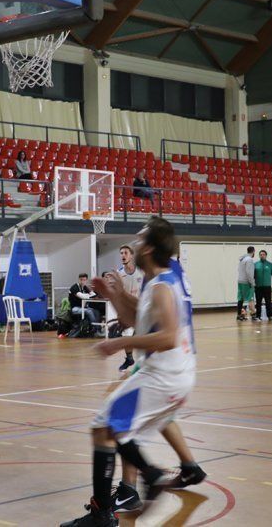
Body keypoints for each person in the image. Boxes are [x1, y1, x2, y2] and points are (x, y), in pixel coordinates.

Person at [61, 217, 196, 526]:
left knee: (104, 425)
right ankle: (143, 480)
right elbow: (135, 316)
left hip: (163, 375)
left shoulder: (163, 286)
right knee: (109, 428)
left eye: (139, 238)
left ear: (148, 248)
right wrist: (114, 295)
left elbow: (168, 337)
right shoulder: (155, 282)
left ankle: (111, 508)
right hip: (166, 375)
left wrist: (119, 342)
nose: (133, 243)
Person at [116, 245, 144, 372]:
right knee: (126, 337)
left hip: (142, 308)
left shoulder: (141, 271)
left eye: (125, 253)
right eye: (121, 253)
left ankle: (145, 362)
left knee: (144, 336)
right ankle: (129, 359)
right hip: (128, 310)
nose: (123, 255)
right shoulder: (119, 274)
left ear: (131, 255)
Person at [253, 249, 272, 322]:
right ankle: (258, 316)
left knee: (268, 302)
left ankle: (270, 316)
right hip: (258, 287)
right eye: (261, 254)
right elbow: (252, 276)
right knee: (258, 302)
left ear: (266, 255)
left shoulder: (270, 265)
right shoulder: (255, 264)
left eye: (263, 254)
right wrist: (252, 285)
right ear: (259, 255)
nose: (262, 255)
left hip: (267, 287)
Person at [236, 246, 256, 320]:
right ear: (253, 251)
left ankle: (239, 315)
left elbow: (238, 270)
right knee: (250, 298)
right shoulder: (249, 259)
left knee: (240, 298)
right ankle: (254, 315)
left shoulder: (242, 259)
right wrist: (252, 282)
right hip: (246, 282)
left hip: (240, 281)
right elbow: (249, 272)